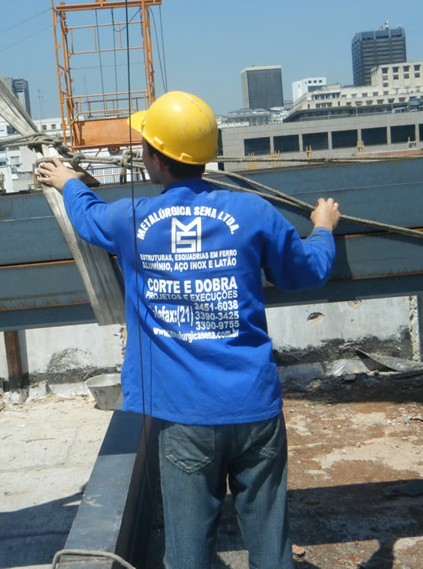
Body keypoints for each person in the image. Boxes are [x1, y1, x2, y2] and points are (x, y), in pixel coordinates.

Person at [37, 91, 340, 569]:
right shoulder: (253, 212)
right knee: (269, 542)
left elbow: (88, 216)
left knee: (187, 552)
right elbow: (306, 271)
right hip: (253, 408)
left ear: (155, 161)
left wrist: (68, 181)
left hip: (183, 418)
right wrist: (322, 228)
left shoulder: (131, 219)